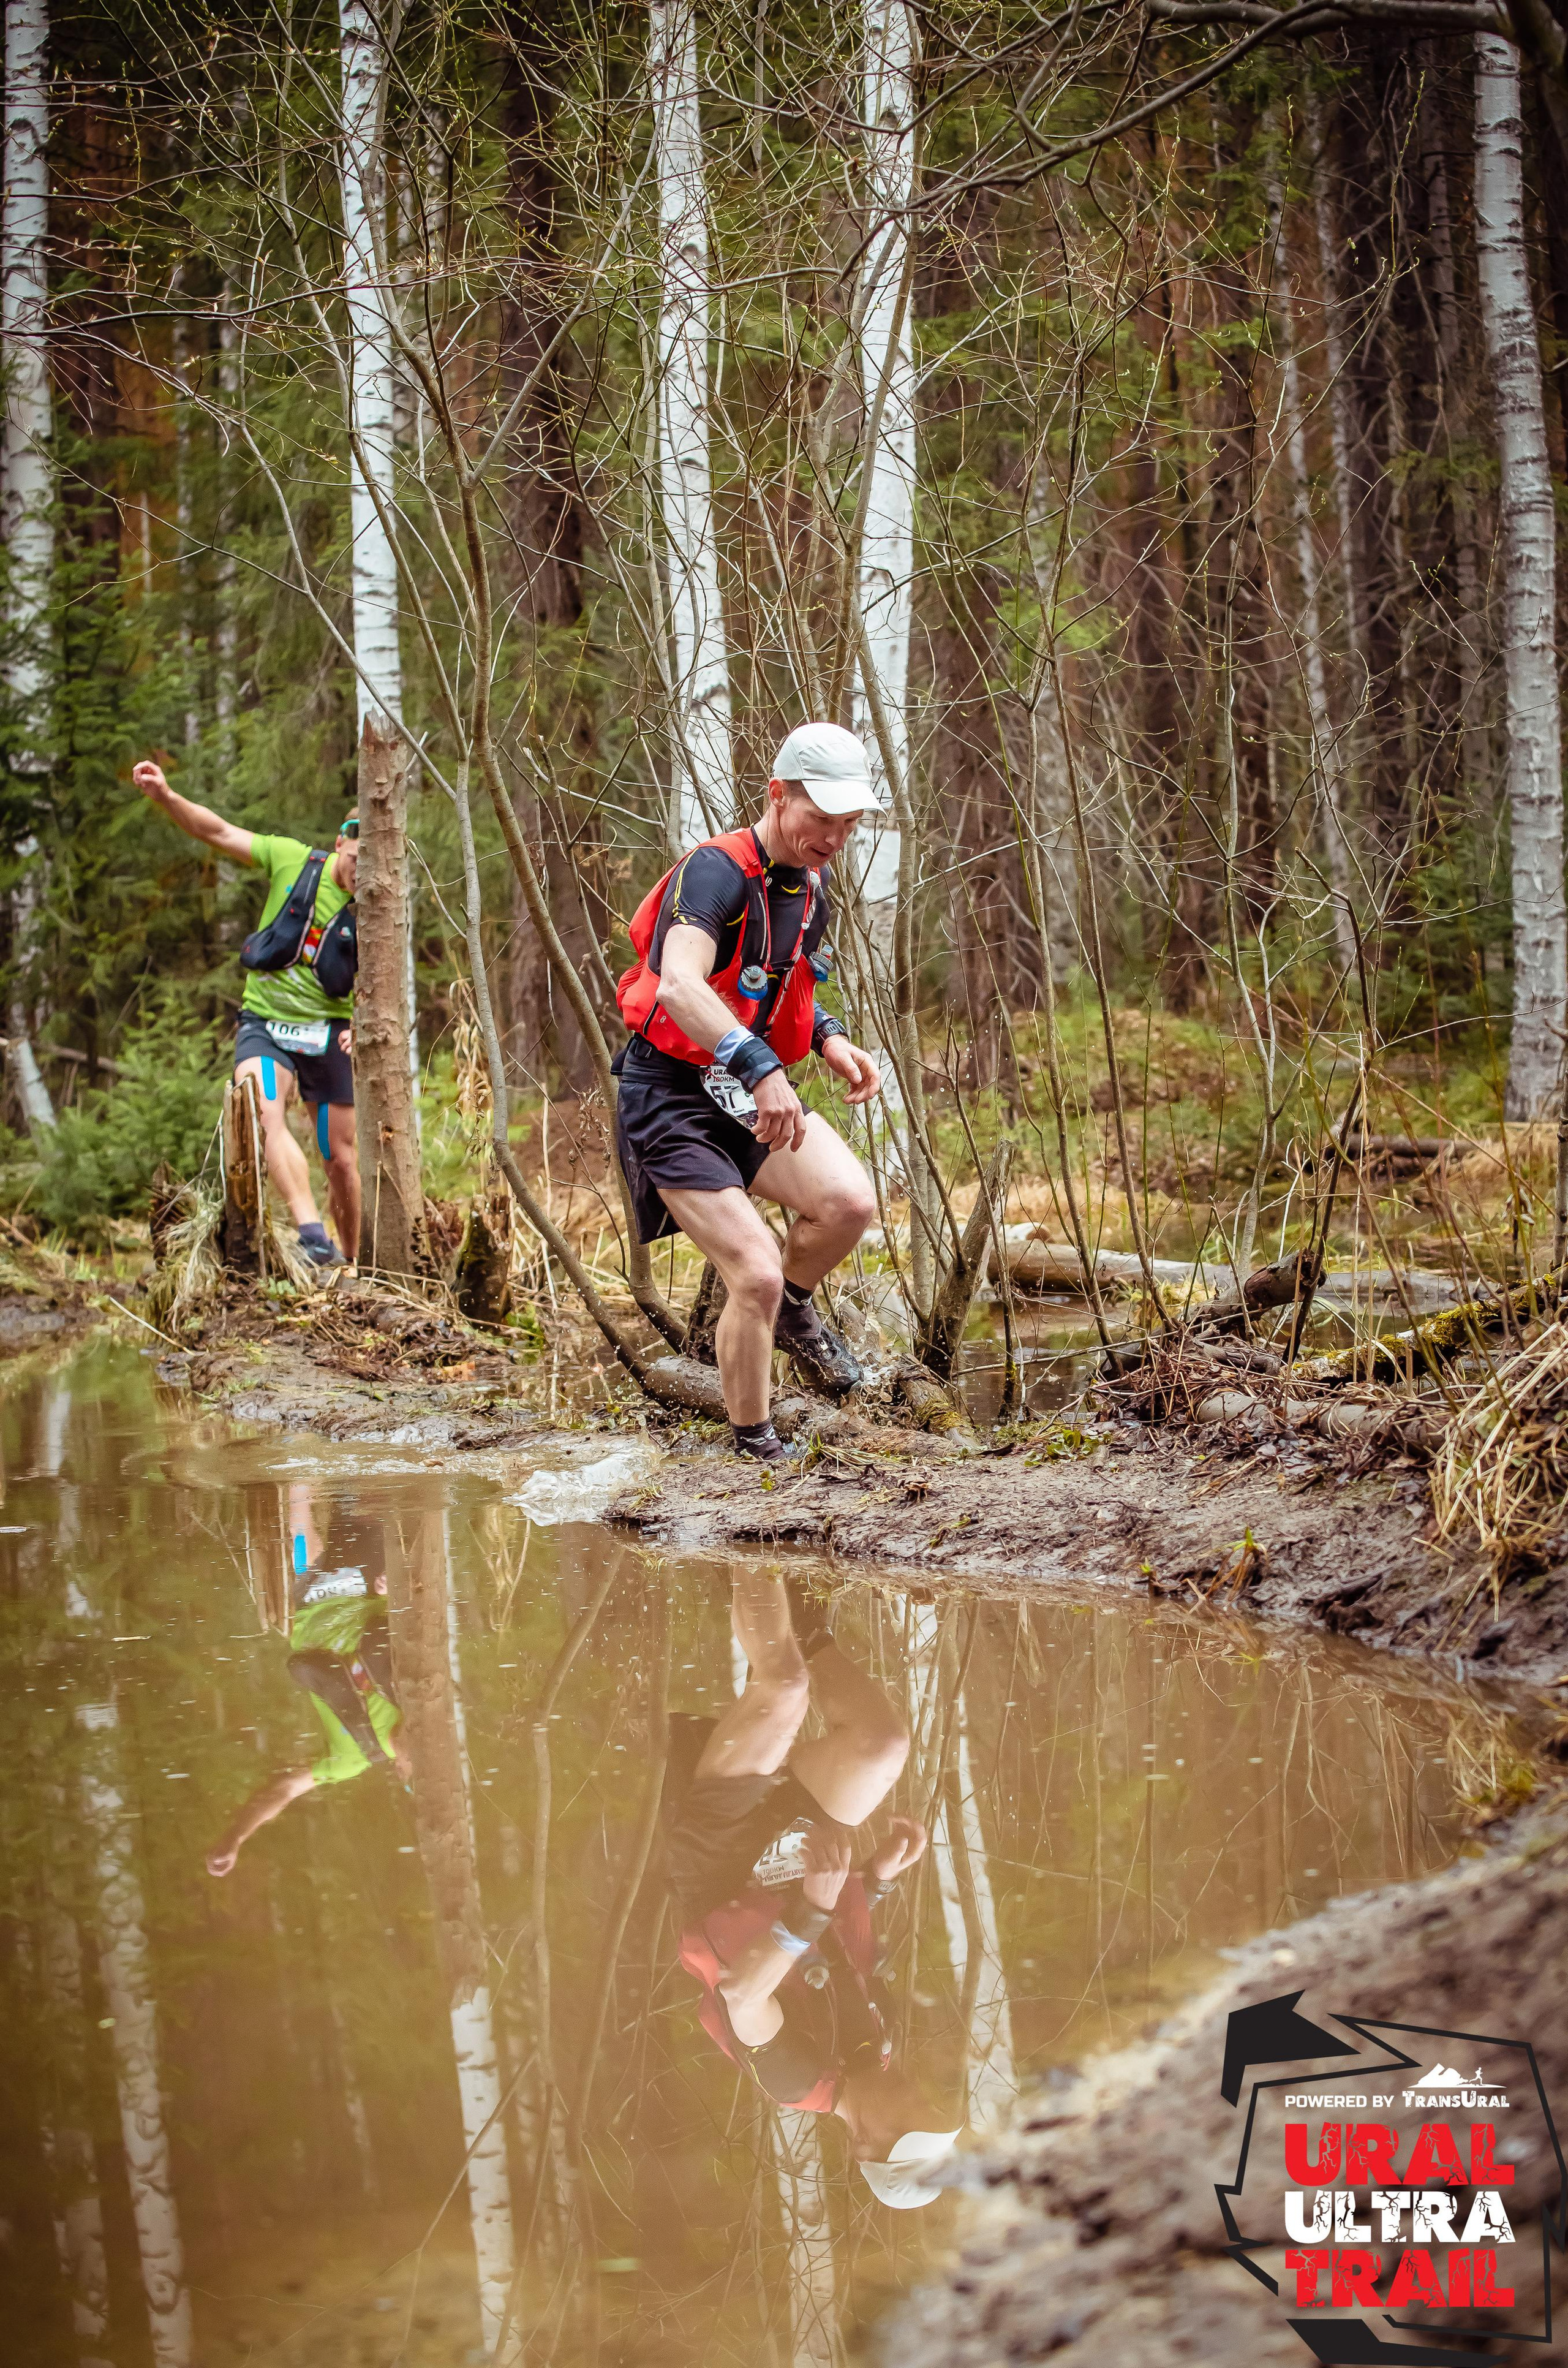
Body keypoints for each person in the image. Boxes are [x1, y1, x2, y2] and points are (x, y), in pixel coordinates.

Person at [614, 721, 886, 1462]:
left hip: (737, 1079)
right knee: (756, 1271)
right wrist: (762, 1067)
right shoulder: (715, 871)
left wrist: (828, 1039)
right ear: (777, 795)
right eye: (820, 818)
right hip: (669, 1092)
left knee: (847, 1205)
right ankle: (755, 1447)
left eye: (848, 823)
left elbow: (775, 984)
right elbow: (679, 985)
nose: (834, 836)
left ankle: (796, 1311)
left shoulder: (806, 885)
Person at [665, 1569, 961, 2209]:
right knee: (879, 1747)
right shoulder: (874, 2050)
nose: (920, 2101)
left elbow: (744, 1995)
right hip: (793, 1862)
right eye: (932, 2112)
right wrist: (875, 1881)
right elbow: (845, 1960)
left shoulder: (795, 2080)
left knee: (782, 1687)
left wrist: (812, 1910)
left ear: (865, 2145)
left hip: (720, 1862)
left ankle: (747, 1535)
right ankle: (803, 1614)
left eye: (909, 2123)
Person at [133, 757, 359, 1266]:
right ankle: (312, 1236)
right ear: (342, 841)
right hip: (266, 1025)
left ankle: (356, 1261)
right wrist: (167, 796)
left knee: (340, 1157)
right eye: (356, 860)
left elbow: (386, 985)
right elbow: (216, 830)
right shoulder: (291, 860)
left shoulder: (381, 905)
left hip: (328, 1033)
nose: (361, 875)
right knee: (264, 1111)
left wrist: (365, 1029)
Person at [205, 1486, 407, 1876]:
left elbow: (282, 1790)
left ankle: (295, 1443)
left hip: (313, 1596)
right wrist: (400, 1594)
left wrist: (235, 1836)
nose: (425, 1754)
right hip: (367, 1588)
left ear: (403, 1770)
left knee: (299, 1496)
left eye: (420, 1768)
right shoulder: (429, 1697)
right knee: (363, 1488)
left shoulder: (353, 1759)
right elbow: (417, 1623)